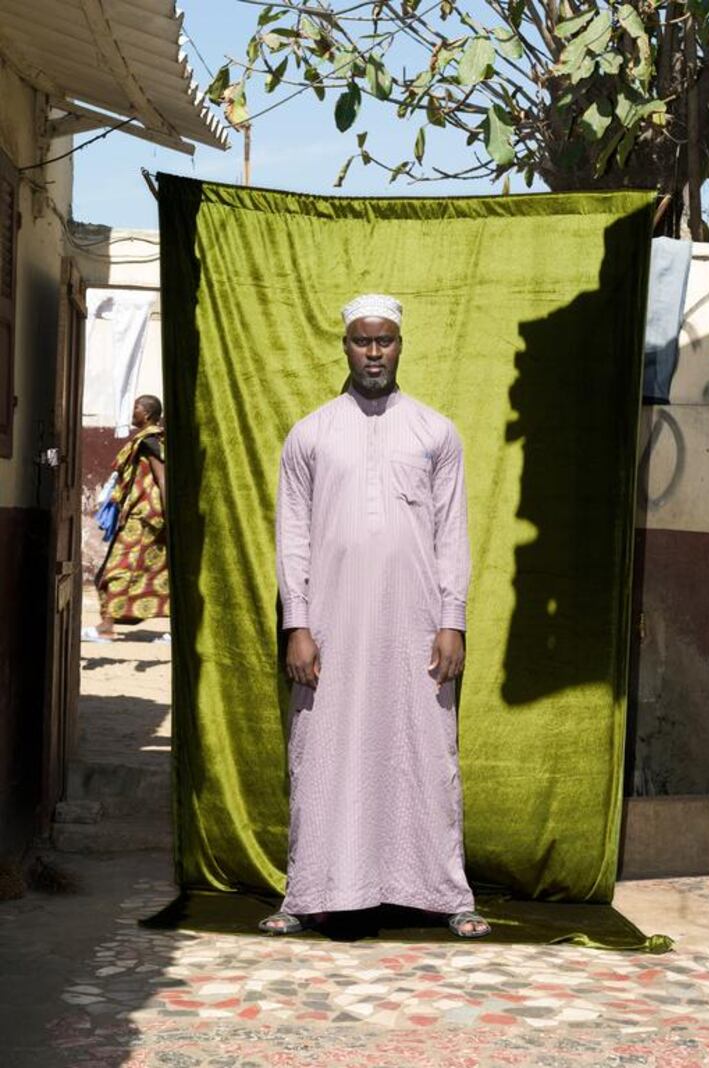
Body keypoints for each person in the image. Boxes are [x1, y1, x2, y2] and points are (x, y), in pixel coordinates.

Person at [261, 294, 490, 939]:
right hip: (330, 626)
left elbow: (453, 534)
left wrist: (452, 620)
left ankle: (445, 895)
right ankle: (309, 893)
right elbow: (294, 538)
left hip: (415, 625)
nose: (373, 352)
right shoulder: (311, 433)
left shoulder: (434, 432)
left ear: (400, 344)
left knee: (423, 749)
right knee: (323, 752)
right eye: (362, 341)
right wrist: (297, 624)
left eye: (384, 340)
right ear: (345, 346)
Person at [82, 395, 169, 642]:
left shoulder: (150, 441)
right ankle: (108, 625)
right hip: (140, 514)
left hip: (146, 517)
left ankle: (106, 627)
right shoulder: (146, 440)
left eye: (137, 407)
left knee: (116, 570)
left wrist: (167, 514)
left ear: (149, 414)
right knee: (154, 571)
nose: (133, 411)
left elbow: (162, 478)